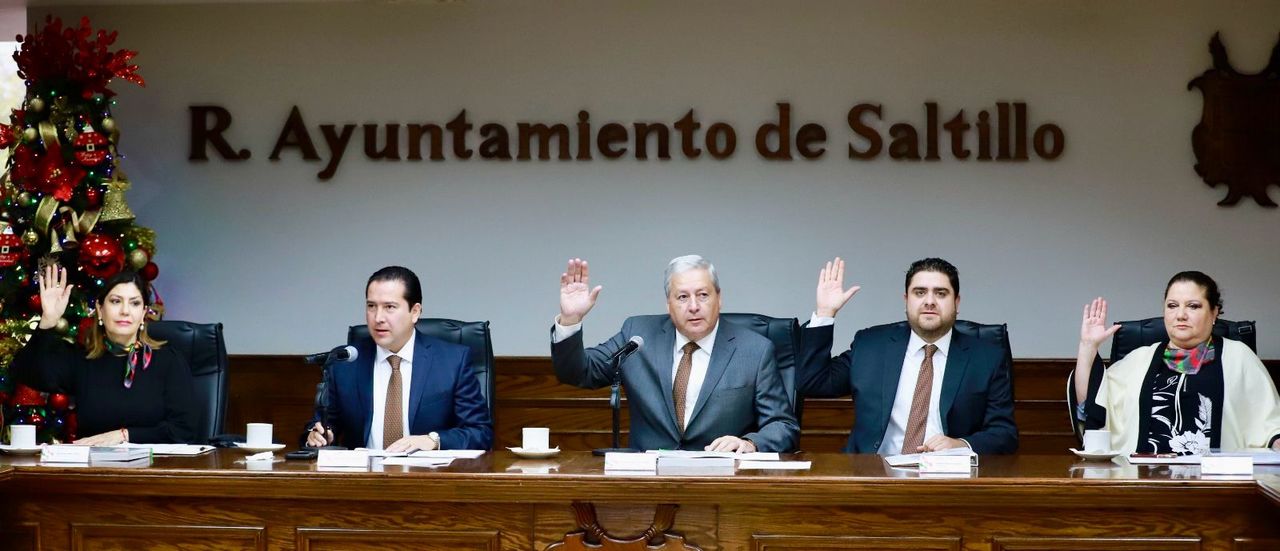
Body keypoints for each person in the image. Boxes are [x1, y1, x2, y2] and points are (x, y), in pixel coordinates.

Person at [551, 255, 798, 452]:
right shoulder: (638, 335)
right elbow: (578, 372)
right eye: (682, 297)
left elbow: (783, 425)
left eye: (703, 295)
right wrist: (570, 320)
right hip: (649, 482)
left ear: (719, 298)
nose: (694, 306)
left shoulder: (755, 350)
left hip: (720, 482)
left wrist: (749, 443)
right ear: (668, 304)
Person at [799, 257, 1018, 455]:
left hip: (947, 475)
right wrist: (825, 313)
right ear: (906, 300)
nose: (929, 301)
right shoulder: (871, 346)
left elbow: (1004, 434)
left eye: (941, 293)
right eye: (919, 292)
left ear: (957, 302)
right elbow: (814, 382)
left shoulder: (987, 358)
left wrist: (961, 445)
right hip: (873, 472)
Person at [1073, 271, 1280, 454]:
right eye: (1172, 306)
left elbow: (1270, 423)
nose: (1180, 315)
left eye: (1193, 306)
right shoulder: (1139, 360)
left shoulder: (1238, 356)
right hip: (1143, 479)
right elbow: (1091, 407)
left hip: (1217, 480)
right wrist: (1087, 346)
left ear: (1214, 312)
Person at [303, 266, 492, 451]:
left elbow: (480, 433)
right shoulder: (345, 362)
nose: (378, 317)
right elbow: (323, 425)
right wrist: (318, 435)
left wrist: (433, 440)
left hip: (427, 471)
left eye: (389, 307)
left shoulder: (452, 361)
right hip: (364, 470)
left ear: (415, 312)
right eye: (371, 306)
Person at [12, 264, 197, 444]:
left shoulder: (168, 361)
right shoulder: (83, 360)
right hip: (93, 463)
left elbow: (184, 430)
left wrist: (125, 436)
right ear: (100, 310)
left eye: (134, 303)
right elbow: (28, 372)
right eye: (116, 301)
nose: (125, 311)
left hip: (153, 463)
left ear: (143, 314)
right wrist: (48, 321)